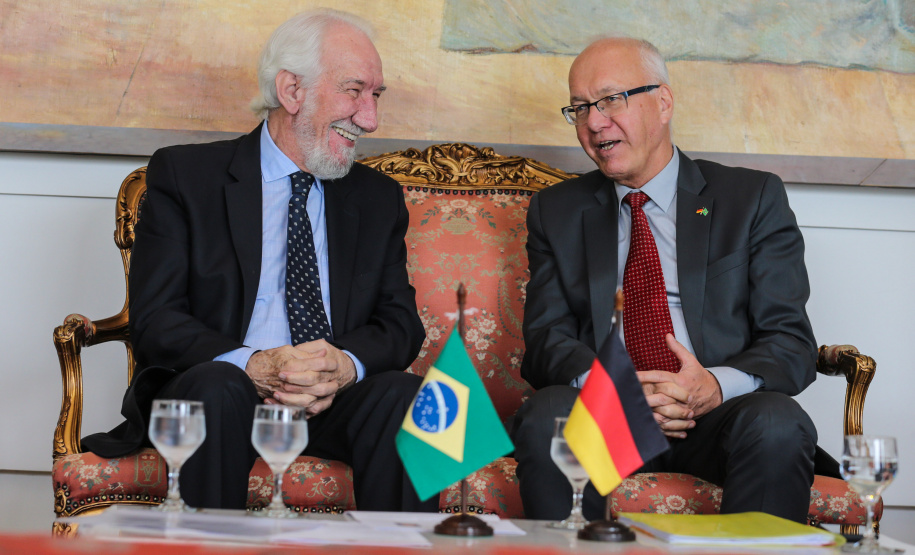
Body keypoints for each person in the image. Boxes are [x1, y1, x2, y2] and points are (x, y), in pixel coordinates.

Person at [82, 9, 437, 512]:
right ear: (291, 90)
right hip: (225, 396)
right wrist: (255, 364)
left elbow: (400, 323)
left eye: (375, 96)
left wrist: (342, 365)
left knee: (409, 397)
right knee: (219, 383)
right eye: (354, 91)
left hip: (330, 402)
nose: (370, 118)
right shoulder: (188, 176)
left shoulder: (376, 197)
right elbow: (157, 319)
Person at [511, 36, 832, 524]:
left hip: (717, 417)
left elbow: (790, 342)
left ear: (663, 102)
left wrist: (713, 385)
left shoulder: (750, 198)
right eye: (579, 108)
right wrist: (614, 387)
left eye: (611, 100)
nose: (595, 123)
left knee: (776, 422)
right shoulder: (557, 211)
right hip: (609, 414)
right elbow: (545, 342)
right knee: (551, 415)